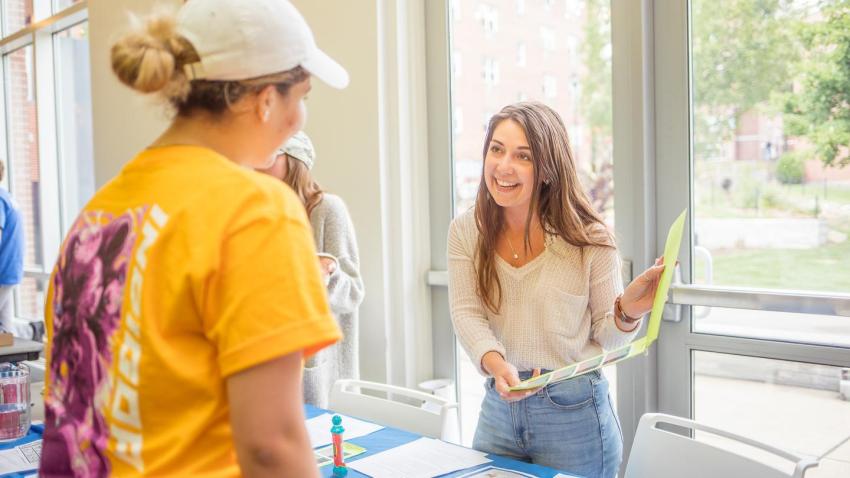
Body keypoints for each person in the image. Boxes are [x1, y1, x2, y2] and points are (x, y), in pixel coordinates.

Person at [39, 1, 348, 476]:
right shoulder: (255, 211)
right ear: (265, 99)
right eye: (301, 95)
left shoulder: (97, 216)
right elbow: (271, 446)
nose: (301, 116)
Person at [448, 102, 666, 477]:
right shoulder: (467, 230)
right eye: (496, 149)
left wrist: (628, 309)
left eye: (523, 156)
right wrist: (497, 366)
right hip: (499, 408)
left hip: (574, 413)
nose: (503, 166)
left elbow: (608, 339)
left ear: (547, 168)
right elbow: (466, 312)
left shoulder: (589, 239)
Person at [259, 131, 364, 408]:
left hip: (320, 372)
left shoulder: (328, 209)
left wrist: (328, 273)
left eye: (272, 154)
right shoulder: (263, 215)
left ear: (295, 161)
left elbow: (354, 292)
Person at [0, 160, 23, 336]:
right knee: (6, 328)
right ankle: (13, 363)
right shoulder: (7, 197)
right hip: (11, 270)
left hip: (3, 271)